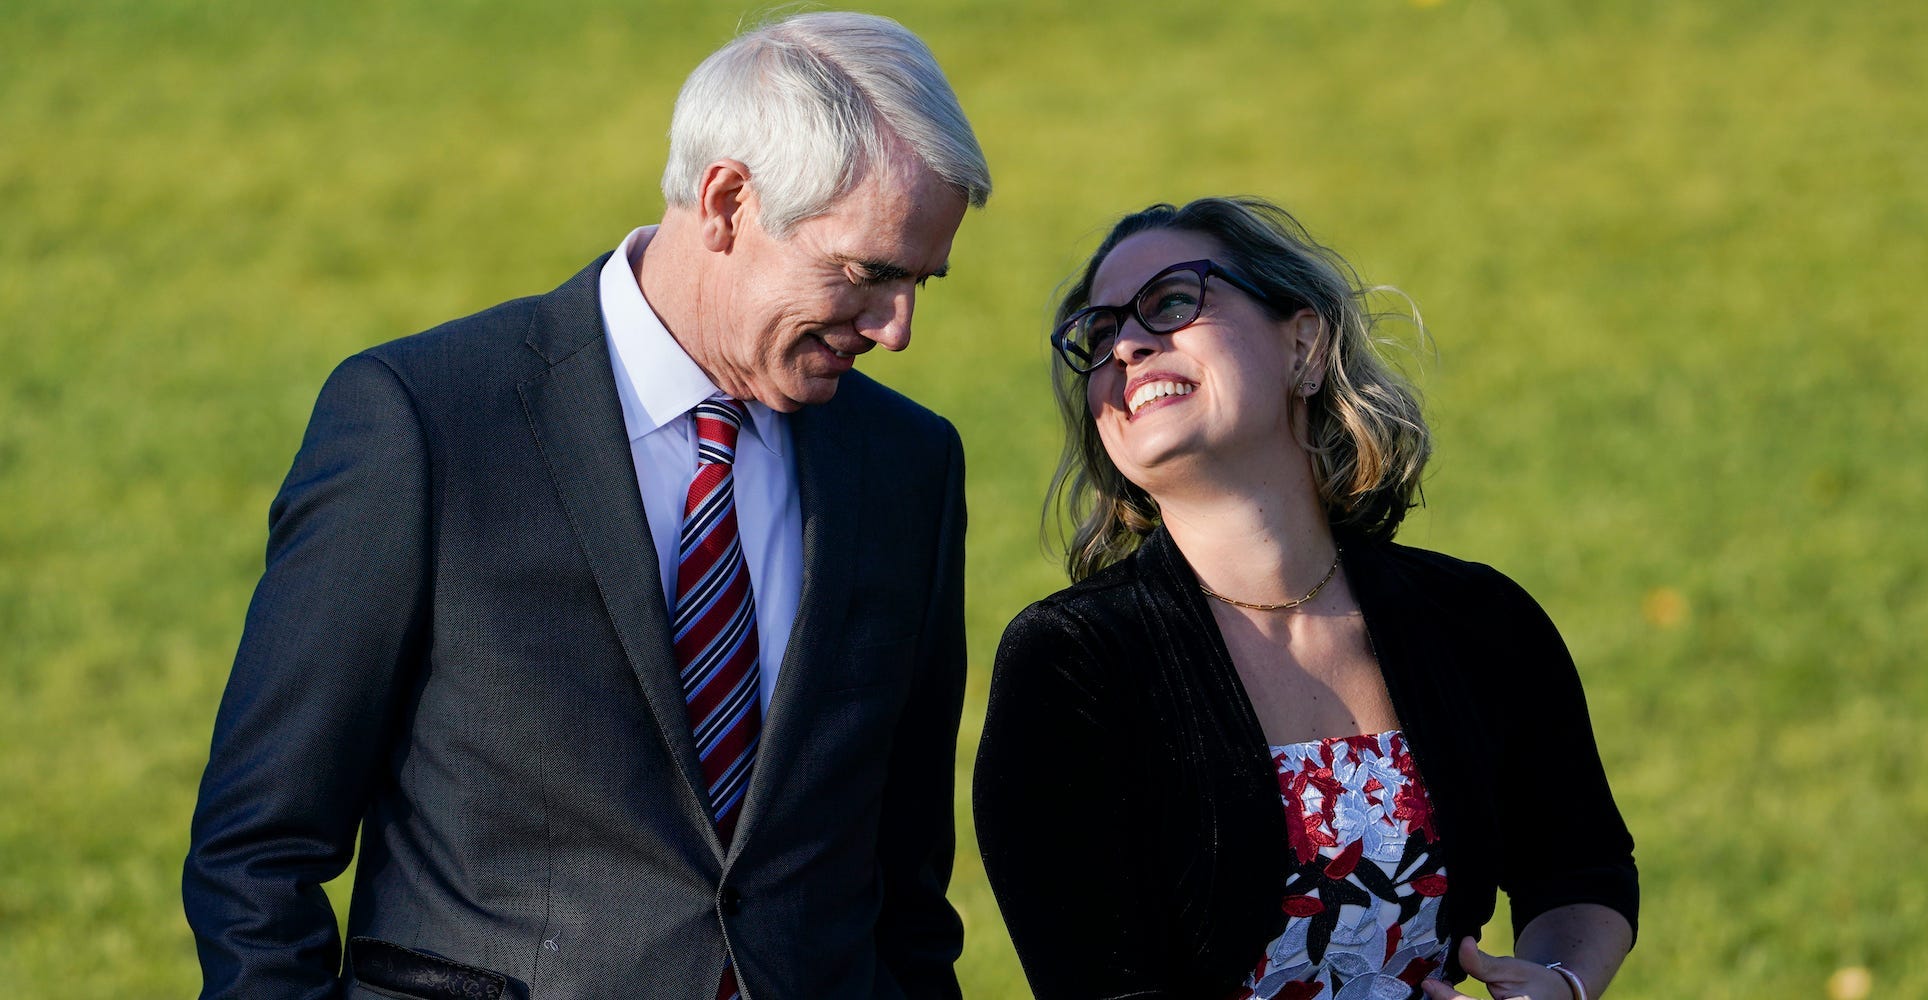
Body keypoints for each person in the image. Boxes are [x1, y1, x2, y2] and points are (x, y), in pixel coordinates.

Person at [184, 12, 988, 999]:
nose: (896, 327)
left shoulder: (907, 464)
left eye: (920, 280)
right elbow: (256, 851)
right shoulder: (425, 423)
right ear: (728, 200)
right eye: (869, 273)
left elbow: (904, 884)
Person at [974, 198, 1636, 1000]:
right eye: (1098, 334)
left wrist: (1559, 983)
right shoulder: (1072, 662)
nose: (1127, 345)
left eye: (1172, 301)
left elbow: (1580, 868)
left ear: (1304, 344)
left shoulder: (1477, 620)